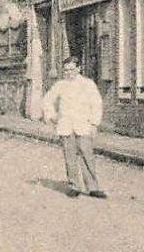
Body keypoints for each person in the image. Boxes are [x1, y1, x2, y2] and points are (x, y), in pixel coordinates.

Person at [41, 59, 106, 199]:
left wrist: (94, 123)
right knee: (69, 157)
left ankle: (93, 187)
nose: (69, 73)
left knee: (87, 156)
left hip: (83, 125)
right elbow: (47, 100)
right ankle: (74, 186)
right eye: (66, 70)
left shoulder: (87, 84)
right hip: (66, 126)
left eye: (71, 69)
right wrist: (52, 116)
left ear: (79, 69)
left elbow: (97, 104)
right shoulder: (60, 85)